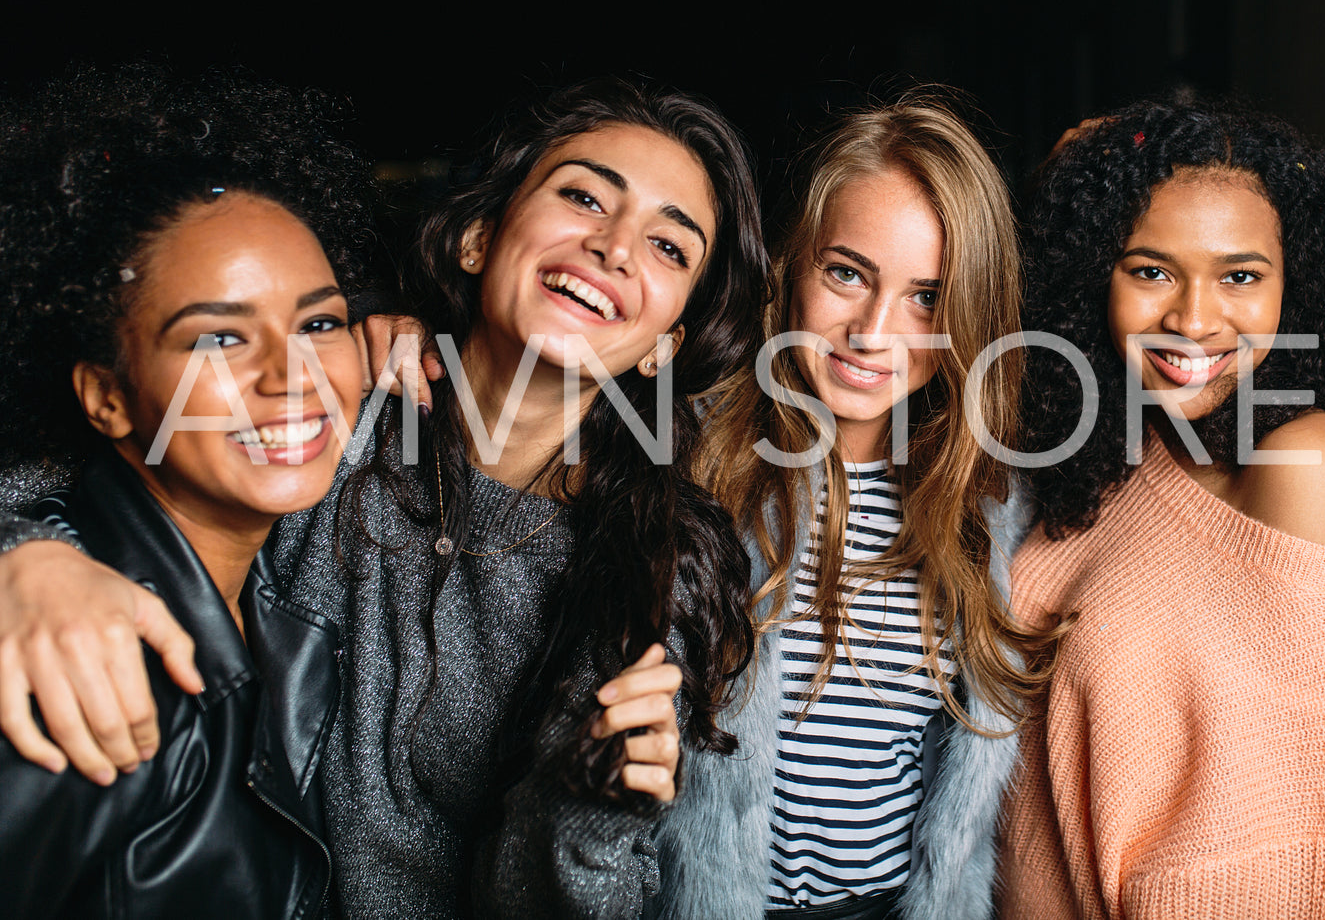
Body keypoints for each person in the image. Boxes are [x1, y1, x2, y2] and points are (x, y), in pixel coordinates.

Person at [0, 77, 769, 918]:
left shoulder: (651, 570)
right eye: (584, 196)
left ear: (665, 344)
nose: (615, 247)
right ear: (480, 236)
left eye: (669, 247)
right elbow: (83, 465)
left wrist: (588, 805)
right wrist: (28, 557)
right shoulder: (316, 410)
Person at [996, 100, 1325, 918]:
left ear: (1295, 282)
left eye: (1239, 275)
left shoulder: (1305, 465)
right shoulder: (1119, 447)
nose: (1194, 320)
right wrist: (1071, 179)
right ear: (1092, 269)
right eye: (1149, 269)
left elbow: (1304, 841)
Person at [648, 92, 1066, 920]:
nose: (872, 331)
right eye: (847, 272)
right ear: (792, 264)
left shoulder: (987, 504)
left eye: (925, 297)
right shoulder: (681, 461)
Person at [0, 65, 370, 917]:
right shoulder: (82, 669)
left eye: (320, 322)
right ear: (108, 396)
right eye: (216, 340)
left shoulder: (280, 605)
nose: (294, 374)